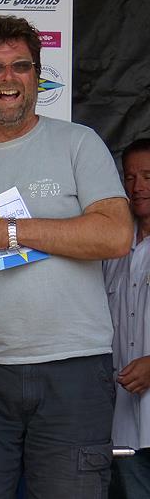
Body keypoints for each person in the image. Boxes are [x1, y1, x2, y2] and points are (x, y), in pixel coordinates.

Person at [0, 14, 133, 498]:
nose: (8, 78)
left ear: (38, 75)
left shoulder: (79, 144)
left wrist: (11, 232)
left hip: (74, 370)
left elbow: (116, 234)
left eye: (21, 66)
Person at [104, 138, 150, 498]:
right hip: (124, 423)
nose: (139, 187)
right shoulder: (112, 247)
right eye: (130, 177)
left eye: (148, 175)